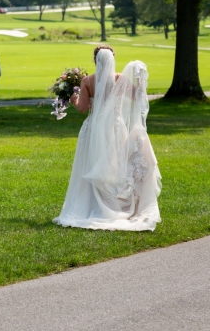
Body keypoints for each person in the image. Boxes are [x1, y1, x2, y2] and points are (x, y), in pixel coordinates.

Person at [53, 45, 162, 231]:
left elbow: (81, 108)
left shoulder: (88, 81)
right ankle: (117, 205)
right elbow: (137, 97)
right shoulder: (120, 78)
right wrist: (140, 79)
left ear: (95, 61)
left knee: (91, 164)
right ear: (112, 59)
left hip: (93, 129)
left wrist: (72, 96)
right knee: (116, 165)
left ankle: (89, 206)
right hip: (116, 128)